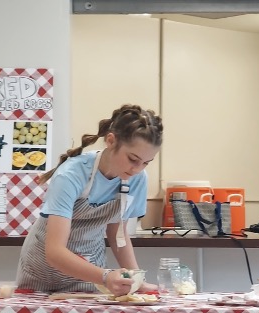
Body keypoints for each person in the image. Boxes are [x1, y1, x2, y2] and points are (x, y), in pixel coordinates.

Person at [16, 104, 163, 296]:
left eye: (146, 163)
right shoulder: (71, 175)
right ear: (111, 141)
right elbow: (55, 251)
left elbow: (118, 235)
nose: (137, 169)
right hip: (42, 273)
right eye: (132, 159)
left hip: (89, 275)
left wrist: (137, 279)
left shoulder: (136, 180)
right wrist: (105, 276)